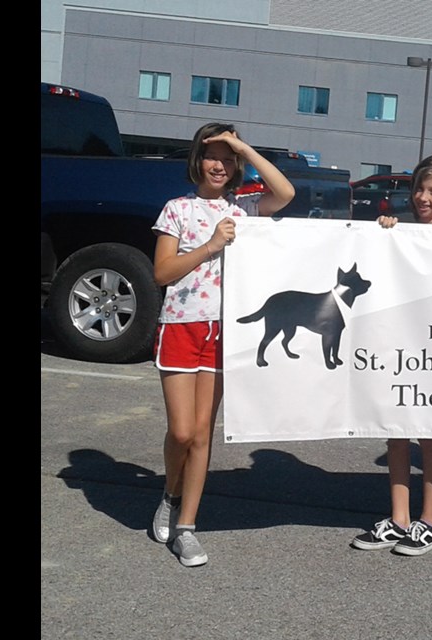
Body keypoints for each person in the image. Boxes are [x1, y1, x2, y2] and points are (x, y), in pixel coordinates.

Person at [150, 122, 294, 567]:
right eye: (214, 154)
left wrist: (243, 147)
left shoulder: (245, 208)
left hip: (222, 331)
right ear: (198, 159)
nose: (221, 164)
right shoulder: (176, 209)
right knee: (182, 431)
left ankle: (188, 526)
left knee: (202, 434)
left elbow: (285, 193)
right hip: (180, 325)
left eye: (228, 158)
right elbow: (162, 273)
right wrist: (211, 245)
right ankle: (169, 495)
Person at [350, 155, 432, 556]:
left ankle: (430, 521)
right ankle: (399, 518)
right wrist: (386, 232)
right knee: (395, 432)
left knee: (428, 433)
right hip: (399, 346)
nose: (424, 198)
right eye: (420, 190)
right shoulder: (399, 233)